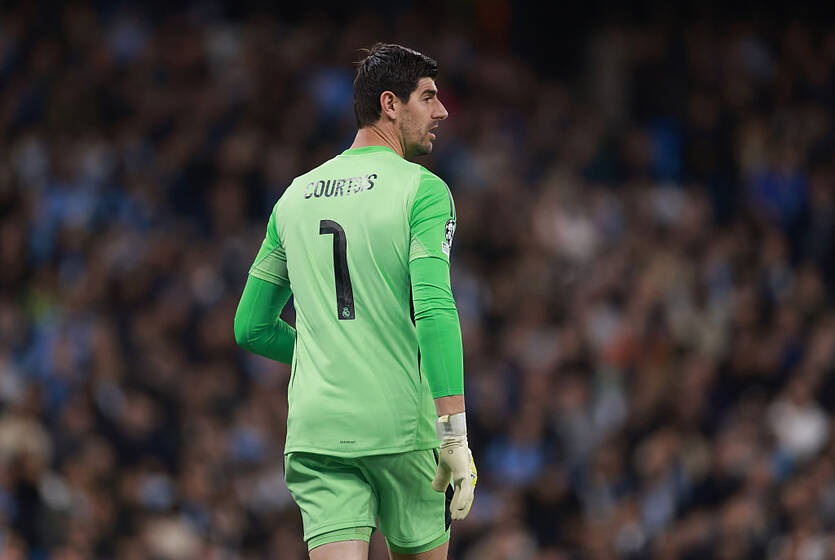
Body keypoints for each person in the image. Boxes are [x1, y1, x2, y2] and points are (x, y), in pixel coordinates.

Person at [234, 43, 477, 560]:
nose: (441, 111)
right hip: (399, 427)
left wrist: (330, 353)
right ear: (390, 104)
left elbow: (251, 327)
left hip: (317, 429)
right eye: (428, 97)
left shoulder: (294, 197)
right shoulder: (423, 190)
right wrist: (453, 433)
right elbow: (434, 308)